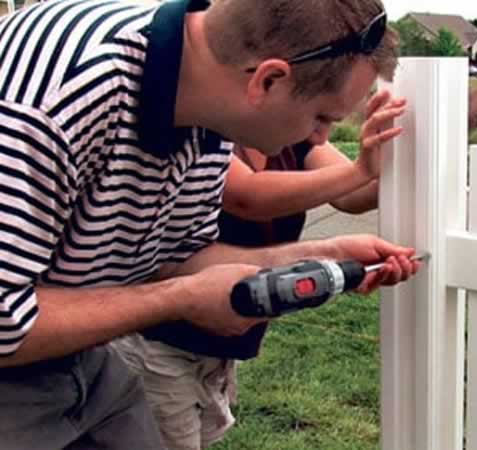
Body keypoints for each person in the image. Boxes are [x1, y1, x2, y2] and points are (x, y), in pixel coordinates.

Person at [0, 0, 417, 448]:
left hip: (75, 351)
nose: (319, 137)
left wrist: (320, 255)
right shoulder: (56, 99)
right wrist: (179, 300)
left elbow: (180, 257)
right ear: (269, 79)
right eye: (321, 117)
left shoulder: (208, 106)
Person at [112, 90, 405, 450]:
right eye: (321, 116)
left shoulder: (294, 132)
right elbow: (248, 195)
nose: (322, 134)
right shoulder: (209, 126)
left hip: (218, 340)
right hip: (160, 337)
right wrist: (361, 169)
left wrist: (396, 157)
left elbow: (351, 195)